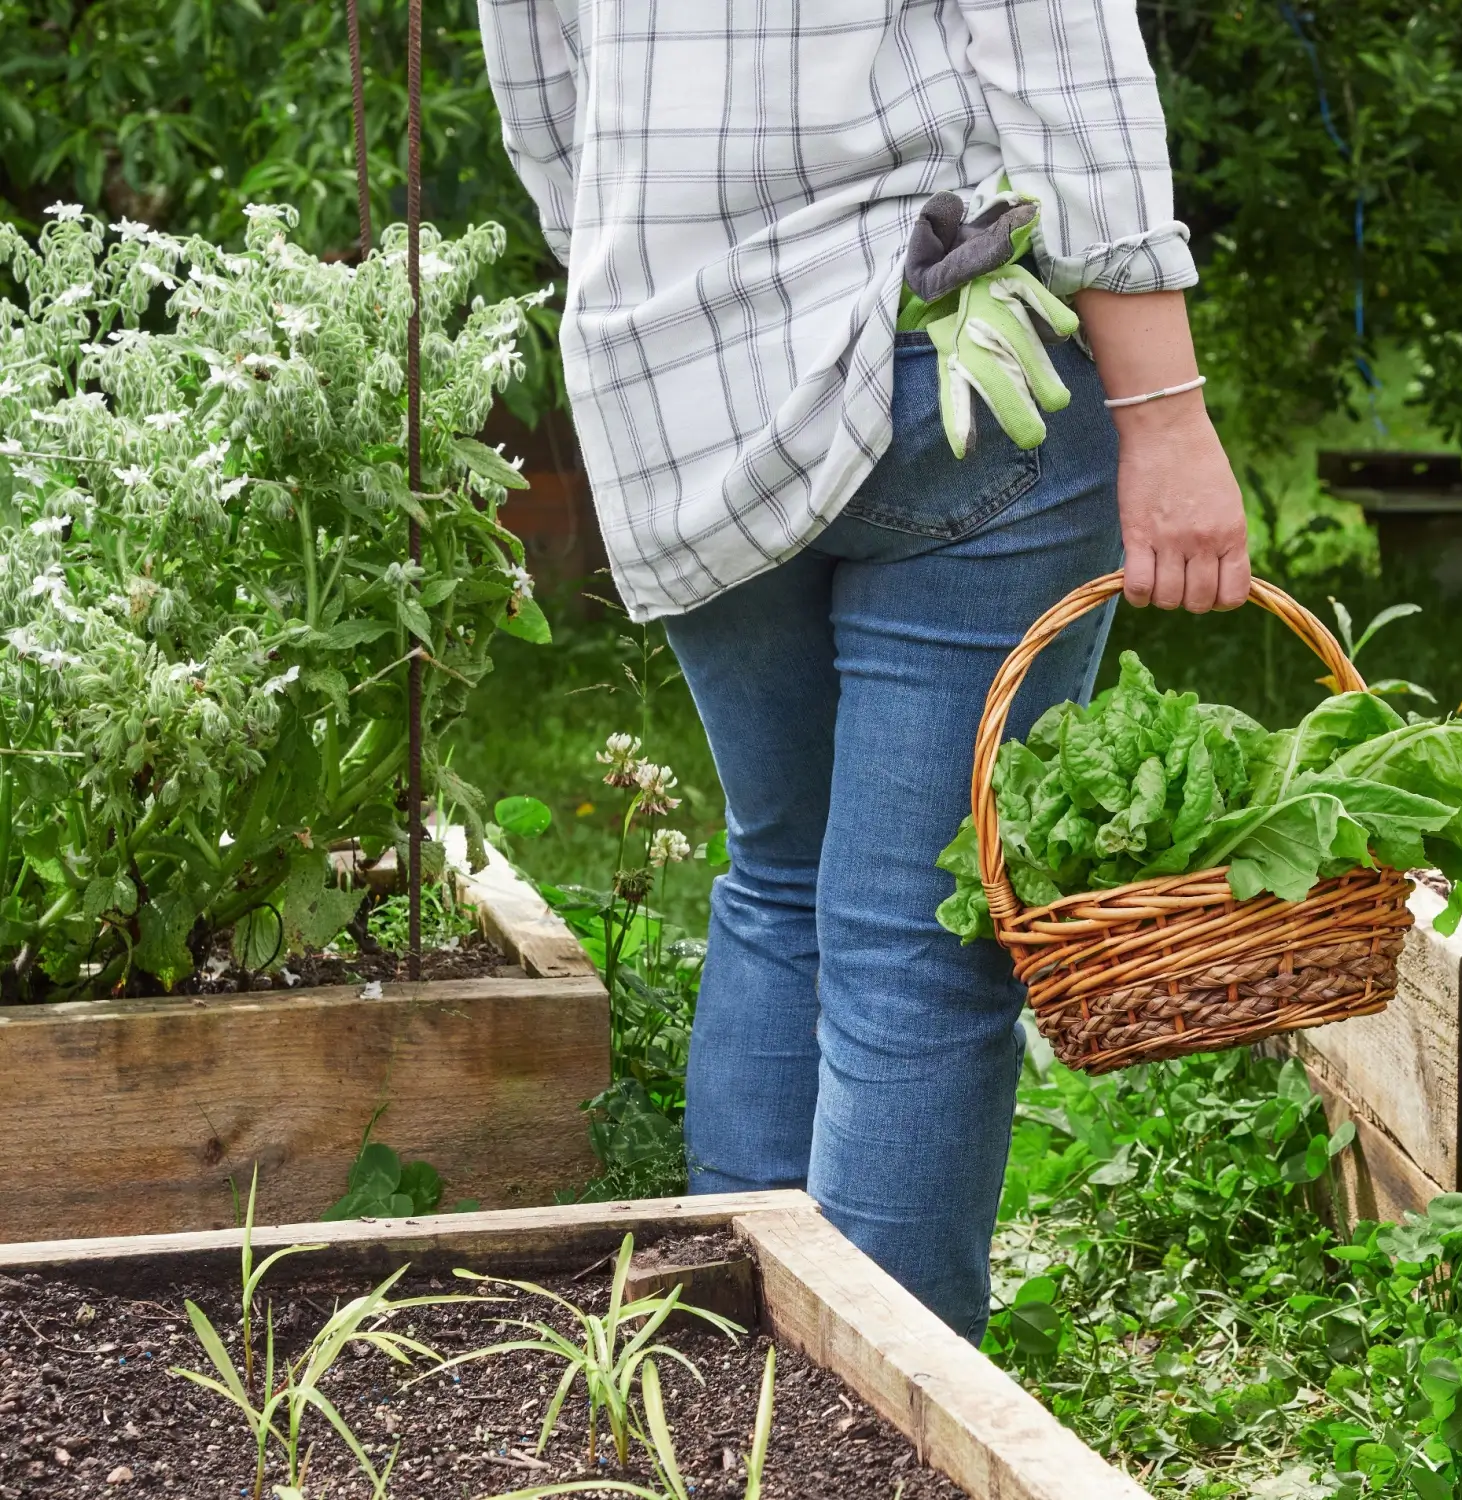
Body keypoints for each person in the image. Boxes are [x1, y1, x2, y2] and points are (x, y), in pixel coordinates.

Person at [477, 0, 1250, 1341]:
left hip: (682, 386)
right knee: (916, 949)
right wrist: (1166, 415)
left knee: (781, 878)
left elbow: (542, 89)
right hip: (950, 373)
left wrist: (672, 299)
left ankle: (725, 1392)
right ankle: (884, 1448)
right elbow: (1063, 62)